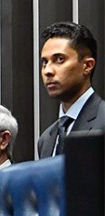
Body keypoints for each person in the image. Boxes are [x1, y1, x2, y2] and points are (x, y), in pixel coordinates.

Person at [38, 21, 105, 158]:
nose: (48, 70)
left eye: (60, 59)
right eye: (45, 62)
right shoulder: (46, 139)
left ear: (87, 66)